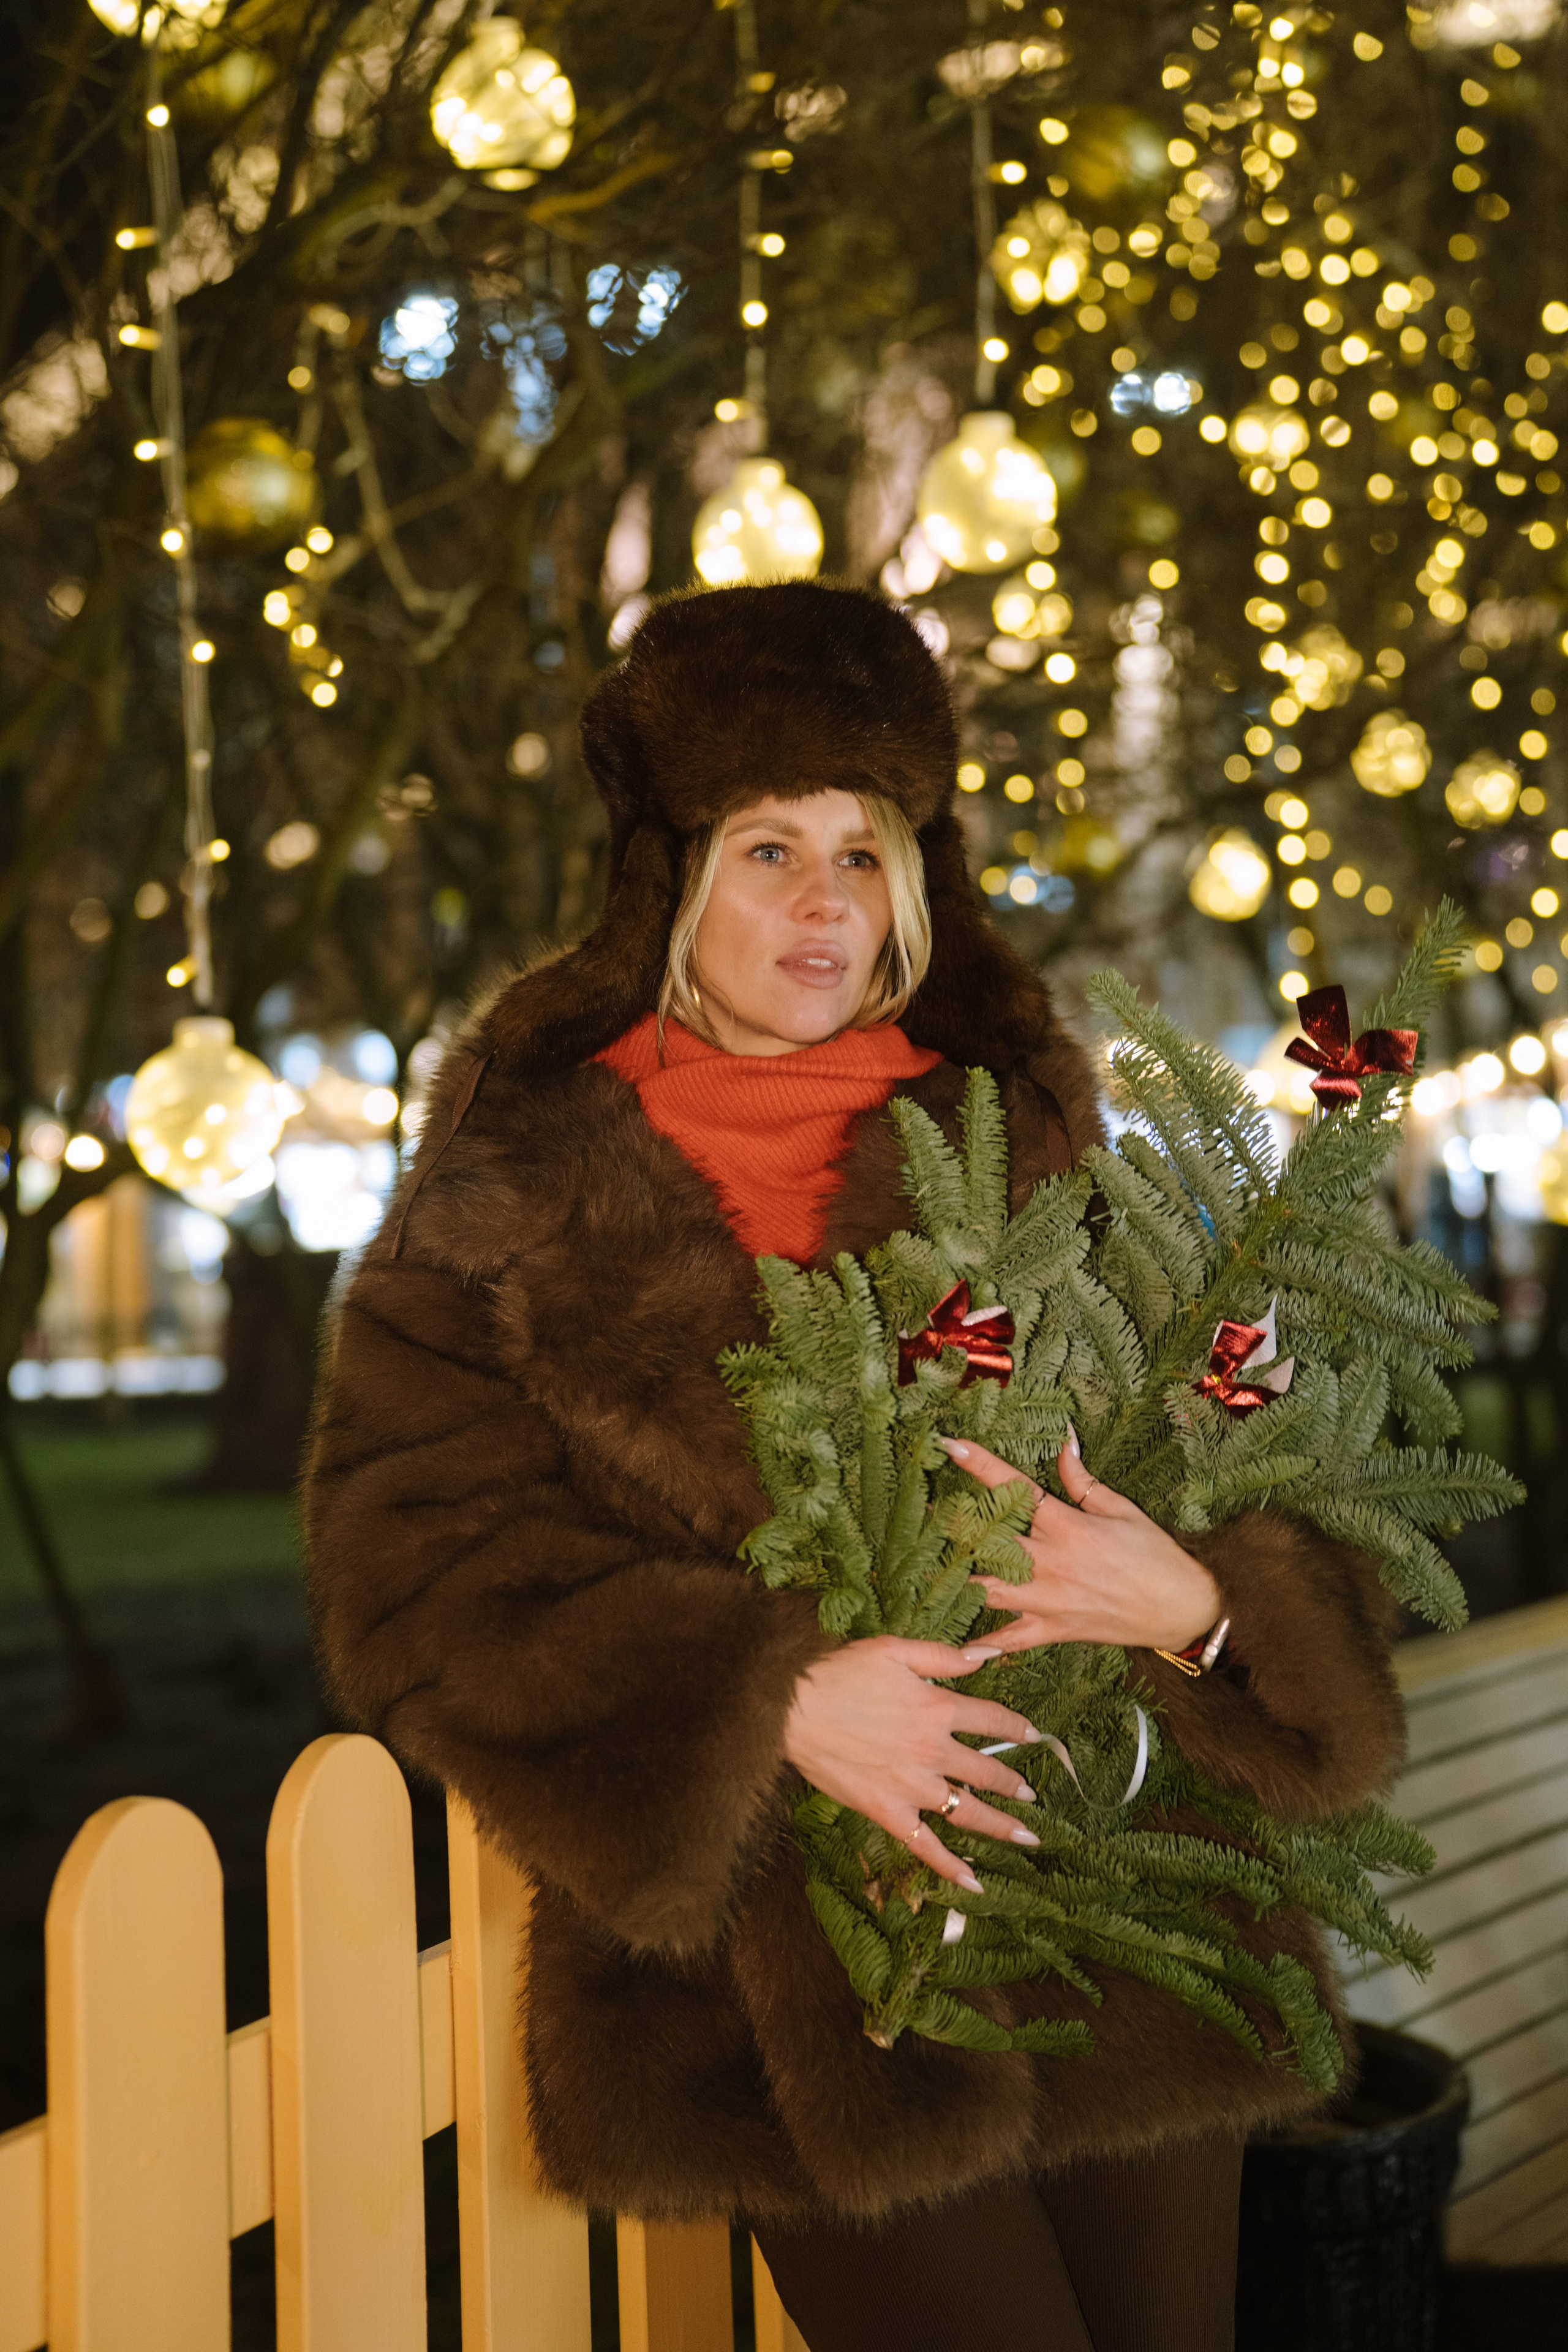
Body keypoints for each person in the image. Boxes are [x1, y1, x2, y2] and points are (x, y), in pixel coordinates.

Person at [303, 582, 1406, 2352]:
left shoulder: (1026, 1135)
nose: (825, 903)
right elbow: (411, 1577)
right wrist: (775, 1698)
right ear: (673, 877)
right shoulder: (512, 1188)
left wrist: (1203, 1606)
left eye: (862, 852)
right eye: (769, 851)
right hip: (797, 1995)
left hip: (1129, 1915)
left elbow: (1260, 1450)